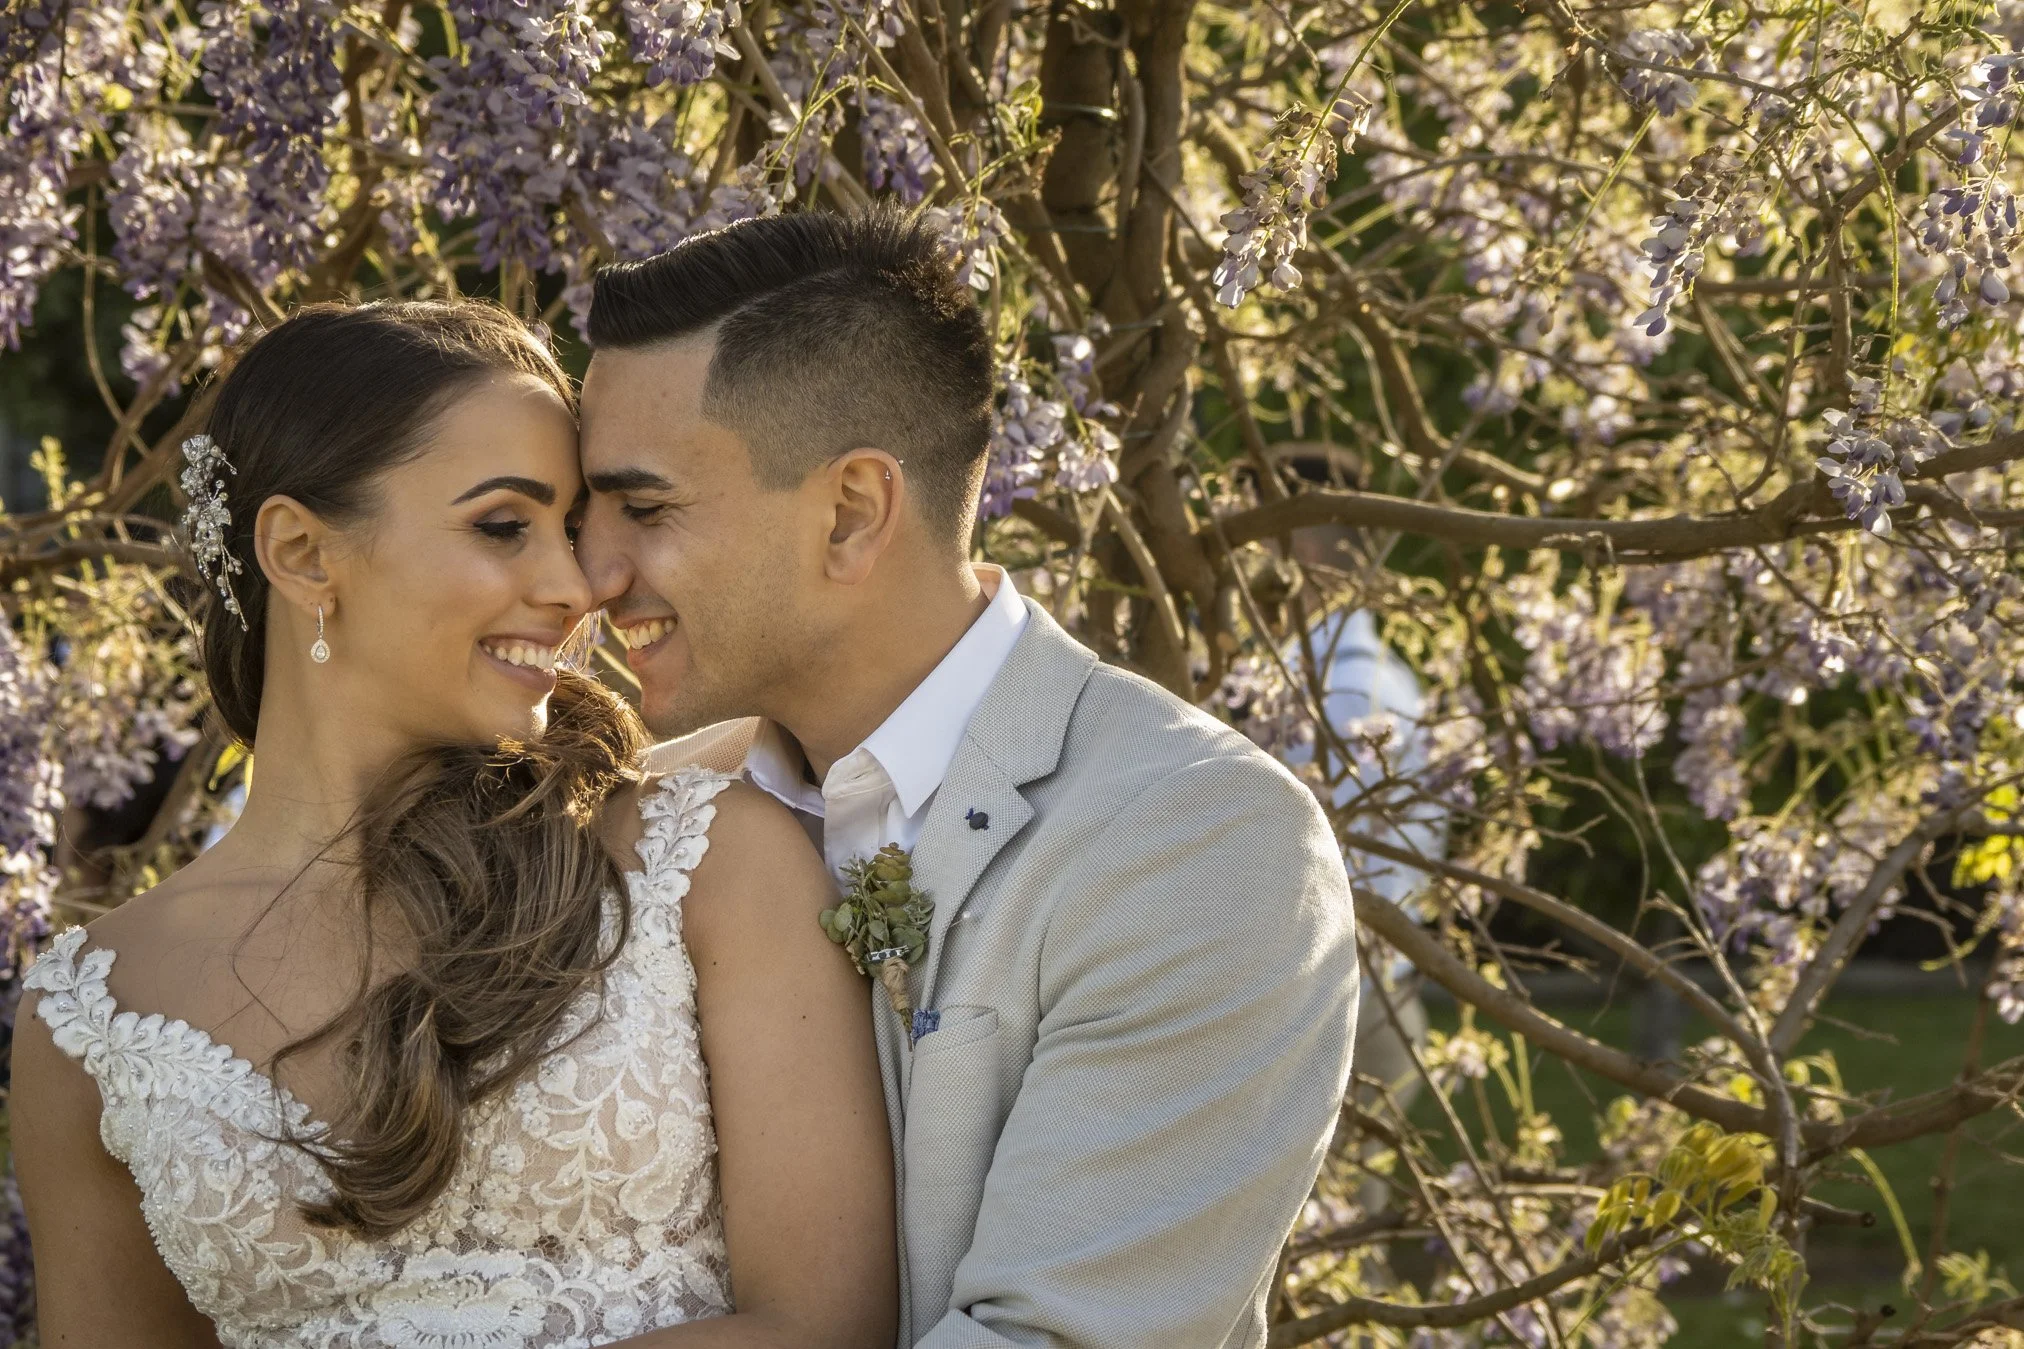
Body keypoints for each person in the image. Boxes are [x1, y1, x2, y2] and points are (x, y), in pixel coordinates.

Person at [11, 301, 897, 1348]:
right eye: (502, 525)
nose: (575, 587)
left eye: (570, 530)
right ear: (302, 553)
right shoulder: (90, 1014)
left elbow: (827, 1324)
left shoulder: (703, 860)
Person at [573, 204, 1359, 1347]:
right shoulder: (651, 813)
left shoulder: (1196, 838)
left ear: (850, 512)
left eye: (643, 508)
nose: (593, 571)